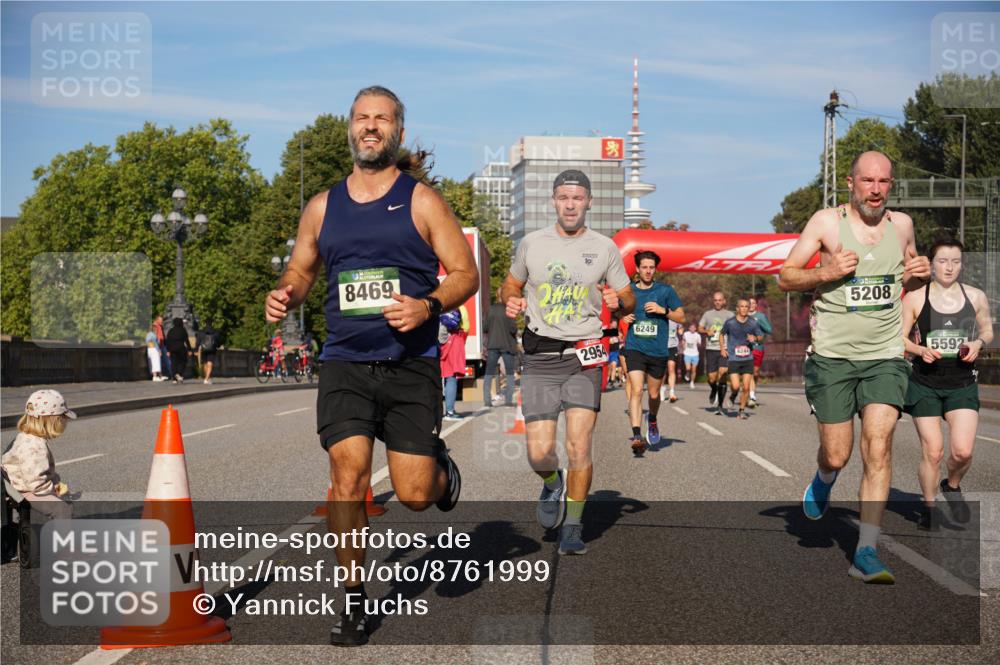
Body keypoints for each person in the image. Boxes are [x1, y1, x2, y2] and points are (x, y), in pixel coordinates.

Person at [264, 85, 477, 646]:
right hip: (345, 363)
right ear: (350, 129)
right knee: (347, 476)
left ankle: (438, 465)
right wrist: (285, 292)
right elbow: (302, 271)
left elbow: (464, 273)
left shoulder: (421, 200)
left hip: (409, 365)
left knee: (412, 494)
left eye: (382, 118)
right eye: (362, 118)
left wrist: (426, 304)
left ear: (398, 131)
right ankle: (353, 601)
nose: (371, 126)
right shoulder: (322, 206)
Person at [780, 150, 930, 584]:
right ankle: (824, 477)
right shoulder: (827, 222)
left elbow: (908, 278)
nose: (877, 189)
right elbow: (786, 277)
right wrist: (824, 272)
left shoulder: (901, 226)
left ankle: (866, 550)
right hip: (832, 357)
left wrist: (918, 273)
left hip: (884, 354)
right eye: (868, 181)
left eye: (884, 182)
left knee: (878, 446)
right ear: (850, 183)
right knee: (838, 453)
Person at [502, 169, 634, 556]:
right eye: (563, 197)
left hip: (585, 356)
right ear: (554, 201)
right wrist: (512, 297)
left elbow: (629, 300)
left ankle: (573, 526)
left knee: (580, 445)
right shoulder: (532, 243)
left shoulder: (605, 247)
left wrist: (619, 303)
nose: (571, 204)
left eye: (577, 197)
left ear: (589, 201)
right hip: (541, 356)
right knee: (538, 453)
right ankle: (551, 482)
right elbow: (510, 283)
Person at [901, 239, 992, 530]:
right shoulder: (915, 297)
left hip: (962, 381)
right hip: (925, 382)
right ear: (932, 263)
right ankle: (929, 508)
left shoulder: (975, 296)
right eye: (943, 261)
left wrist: (978, 342)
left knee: (963, 452)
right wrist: (919, 350)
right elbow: (898, 337)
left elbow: (988, 330)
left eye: (955, 261)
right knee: (934, 451)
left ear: (961, 264)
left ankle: (951, 485)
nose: (949, 267)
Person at [622, 251, 684, 454]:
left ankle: (653, 419)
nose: (648, 271)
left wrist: (662, 310)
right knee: (637, 390)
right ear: (637, 270)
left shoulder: (665, 291)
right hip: (634, 347)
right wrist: (623, 317)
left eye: (651, 267)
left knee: (655, 394)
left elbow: (681, 316)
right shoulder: (628, 291)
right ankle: (637, 435)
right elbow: (617, 310)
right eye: (644, 267)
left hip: (657, 350)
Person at [1, 390, 77, 520]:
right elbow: (36, 483)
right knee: (63, 509)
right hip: (23, 489)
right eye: (63, 418)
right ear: (52, 421)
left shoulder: (26, 437)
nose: (65, 422)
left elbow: (39, 473)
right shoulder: (34, 446)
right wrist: (55, 490)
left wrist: (55, 482)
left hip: (16, 484)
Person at [719, 298, 763, 419]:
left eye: (746, 307)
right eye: (741, 306)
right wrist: (723, 349)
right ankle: (733, 395)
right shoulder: (730, 322)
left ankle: (741, 411)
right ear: (737, 308)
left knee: (747, 387)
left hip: (748, 358)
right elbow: (722, 334)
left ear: (749, 309)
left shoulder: (753, 323)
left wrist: (755, 338)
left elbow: (760, 336)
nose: (744, 309)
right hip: (734, 358)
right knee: (735, 386)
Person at [699, 292, 734, 410]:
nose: (718, 302)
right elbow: (700, 327)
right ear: (713, 301)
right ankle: (714, 388)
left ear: (724, 301)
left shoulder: (730, 315)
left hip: (724, 349)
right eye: (715, 300)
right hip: (711, 349)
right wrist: (706, 331)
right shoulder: (707, 314)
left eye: (720, 300)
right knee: (712, 378)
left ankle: (720, 404)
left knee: (723, 374)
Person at [483, 291, 518, 407]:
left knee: (489, 372)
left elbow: (485, 327)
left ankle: (487, 400)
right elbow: (513, 329)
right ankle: (508, 400)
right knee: (509, 373)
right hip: (507, 345)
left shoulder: (491, 309)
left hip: (493, 345)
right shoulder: (508, 310)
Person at [440, 309, 468, 420]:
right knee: (451, 378)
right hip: (453, 342)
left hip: (445, 346)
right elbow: (465, 324)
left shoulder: (442, 307)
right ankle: (450, 412)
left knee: (443, 378)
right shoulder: (459, 306)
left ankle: (445, 410)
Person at [747, 297, 773, 407]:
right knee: (747, 372)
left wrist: (758, 324)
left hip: (758, 347)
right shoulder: (742, 316)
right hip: (744, 348)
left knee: (755, 372)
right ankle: (751, 394)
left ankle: (751, 390)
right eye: (749, 303)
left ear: (756, 305)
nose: (751, 305)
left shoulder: (760, 316)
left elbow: (769, 330)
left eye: (753, 303)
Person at [165, 318, 193, 383]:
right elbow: (186, 340)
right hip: (181, 349)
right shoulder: (182, 330)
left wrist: (168, 350)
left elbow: (168, 341)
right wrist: (189, 349)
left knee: (174, 363)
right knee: (183, 362)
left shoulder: (171, 331)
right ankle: (180, 374)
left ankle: (174, 378)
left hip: (172, 349)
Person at [661, 319, 681, 403]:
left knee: (671, 368)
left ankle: (672, 392)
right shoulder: (660, 317)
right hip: (661, 347)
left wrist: (680, 331)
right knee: (662, 371)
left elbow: (680, 329)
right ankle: (661, 389)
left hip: (673, 346)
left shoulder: (675, 317)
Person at [682, 323, 701, 389]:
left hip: (695, 354)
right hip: (687, 353)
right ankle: (687, 373)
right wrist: (683, 346)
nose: (692, 329)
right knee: (688, 368)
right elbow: (683, 341)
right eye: (691, 327)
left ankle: (692, 382)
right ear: (689, 328)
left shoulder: (698, 335)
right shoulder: (686, 334)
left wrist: (698, 344)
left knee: (694, 370)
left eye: (694, 328)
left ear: (695, 329)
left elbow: (699, 344)